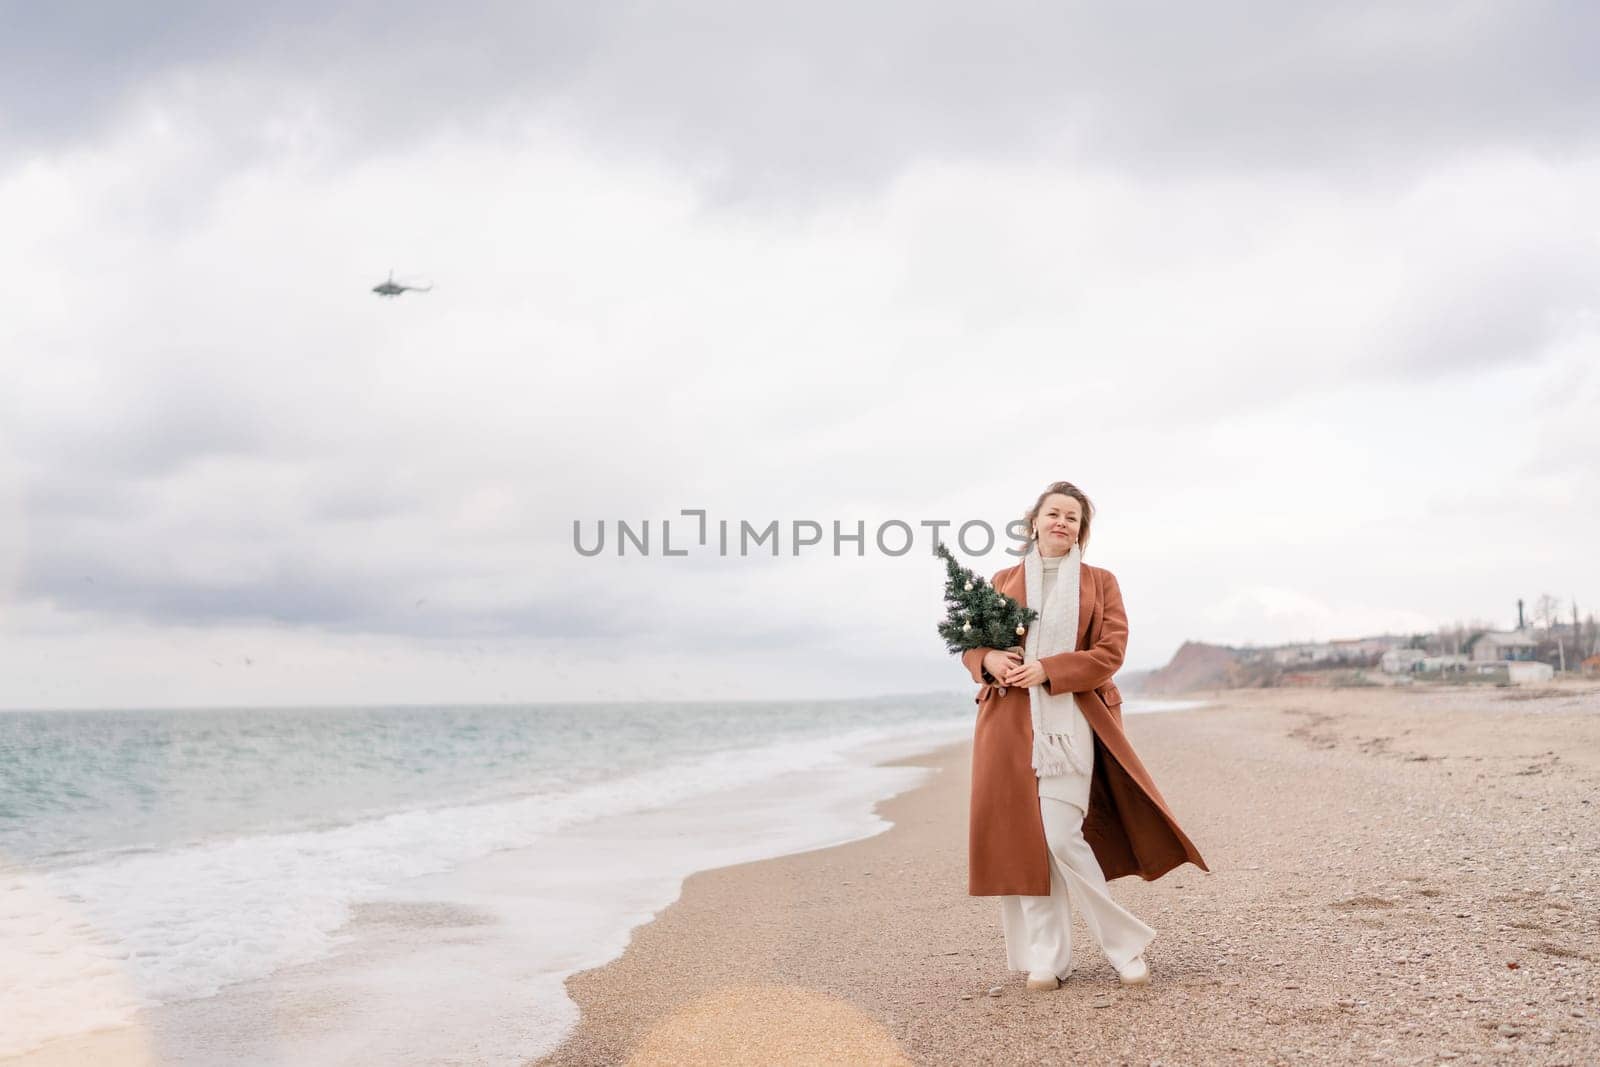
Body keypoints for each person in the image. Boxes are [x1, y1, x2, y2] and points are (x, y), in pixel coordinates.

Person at [959, 481, 1209, 991]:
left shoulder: (1100, 582)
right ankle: (1046, 959)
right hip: (1006, 726)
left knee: (1059, 836)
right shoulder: (1002, 579)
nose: (1062, 523)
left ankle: (1124, 945)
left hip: (1072, 723)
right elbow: (971, 645)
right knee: (1025, 843)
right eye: (1054, 513)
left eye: (1072, 518)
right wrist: (986, 659)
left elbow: (1110, 653)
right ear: (1034, 522)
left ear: (1081, 530)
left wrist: (1047, 669)